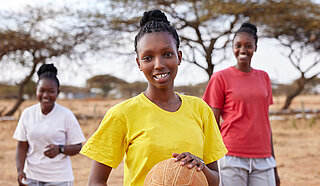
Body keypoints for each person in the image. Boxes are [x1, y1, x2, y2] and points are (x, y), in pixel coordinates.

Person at [80, 9, 227, 186]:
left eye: (167, 54)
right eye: (148, 57)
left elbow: (215, 180)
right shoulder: (122, 114)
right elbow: (96, 182)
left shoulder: (200, 109)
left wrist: (200, 166)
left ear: (179, 57)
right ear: (139, 63)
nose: (159, 65)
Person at [203, 22, 280, 186]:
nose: (243, 50)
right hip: (231, 157)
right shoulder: (220, 77)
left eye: (248, 46)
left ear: (256, 48)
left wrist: (274, 165)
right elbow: (212, 124)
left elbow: (264, 122)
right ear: (232, 47)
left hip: (263, 159)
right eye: (238, 45)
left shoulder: (264, 78)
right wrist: (211, 163)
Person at [13, 64, 86, 186]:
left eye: (51, 91)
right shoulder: (27, 113)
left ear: (58, 92)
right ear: (36, 90)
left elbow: (78, 146)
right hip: (31, 178)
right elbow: (22, 146)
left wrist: (60, 149)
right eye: (42, 90)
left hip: (59, 179)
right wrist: (20, 171)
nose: (46, 95)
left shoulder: (66, 115)